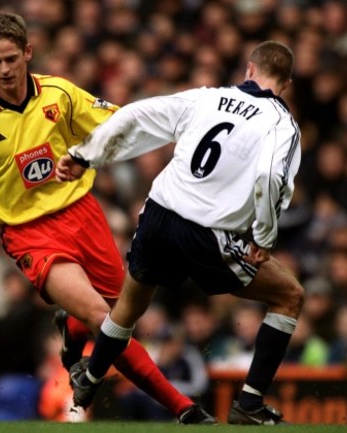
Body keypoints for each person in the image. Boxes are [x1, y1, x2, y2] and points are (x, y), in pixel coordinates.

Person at [0, 12, 211, 424]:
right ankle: (184, 408)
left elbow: (117, 122)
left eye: (11, 58)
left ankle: (74, 331)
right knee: (102, 317)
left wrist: (183, 125)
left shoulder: (60, 95)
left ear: (28, 51)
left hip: (84, 215)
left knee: (124, 319)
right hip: (29, 233)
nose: (5, 69)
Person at [57, 40, 304, 425]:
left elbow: (137, 115)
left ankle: (89, 378)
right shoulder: (281, 124)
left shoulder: (206, 99)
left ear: (249, 70)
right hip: (208, 232)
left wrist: (84, 155)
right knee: (289, 295)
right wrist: (263, 237)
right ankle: (250, 405)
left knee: (128, 307)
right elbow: (272, 176)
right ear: (286, 83)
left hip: (158, 214)